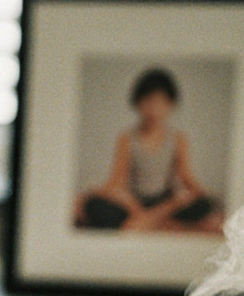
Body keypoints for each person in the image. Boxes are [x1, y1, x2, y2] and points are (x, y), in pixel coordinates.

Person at [75, 68, 223, 233]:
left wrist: (201, 195)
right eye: (147, 101)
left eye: (160, 102)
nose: (153, 109)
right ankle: (160, 223)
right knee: (93, 205)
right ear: (137, 103)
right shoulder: (127, 138)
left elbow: (185, 176)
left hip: (165, 202)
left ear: (171, 104)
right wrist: (95, 193)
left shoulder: (178, 139)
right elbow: (117, 180)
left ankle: (145, 222)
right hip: (135, 200)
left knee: (205, 203)